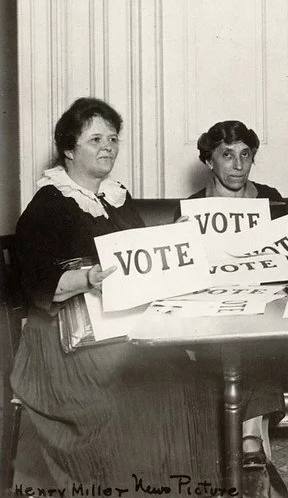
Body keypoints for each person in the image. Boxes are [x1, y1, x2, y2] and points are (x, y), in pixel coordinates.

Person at [10, 97, 222, 486]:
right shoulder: (47, 204)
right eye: (95, 139)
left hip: (118, 327)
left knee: (193, 382)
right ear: (69, 150)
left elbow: (145, 257)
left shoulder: (116, 196)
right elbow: (38, 282)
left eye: (112, 138)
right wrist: (87, 279)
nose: (108, 146)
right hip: (64, 341)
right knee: (140, 396)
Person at [183, 120, 285, 487]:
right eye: (227, 155)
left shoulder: (270, 199)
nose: (238, 164)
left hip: (264, 305)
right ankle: (251, 443)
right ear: (210, 161)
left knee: (261, 335)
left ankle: (249, 439)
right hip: (213, 310)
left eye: (245, 155)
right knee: (236, 339)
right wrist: (181, 239)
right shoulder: (192, 208)